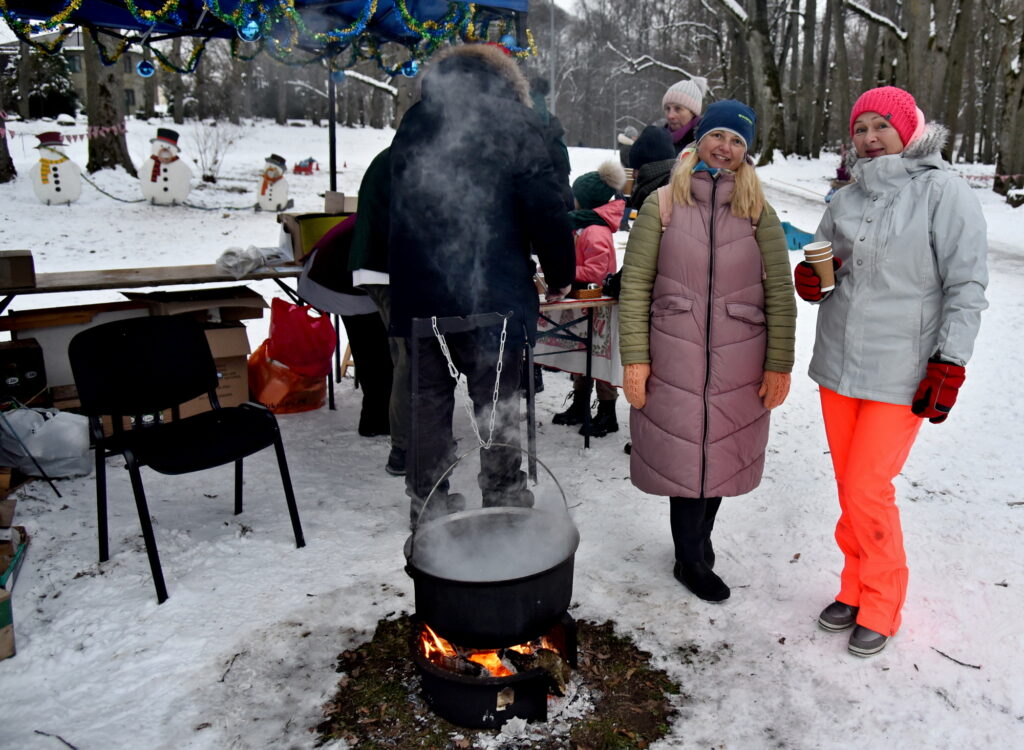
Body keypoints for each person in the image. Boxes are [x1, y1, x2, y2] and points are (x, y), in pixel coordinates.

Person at [794, 86, 988, 657]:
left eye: (882, 125)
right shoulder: (846, 198)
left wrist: (949, 361)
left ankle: (882, 601)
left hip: (901, 368)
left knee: (867, 487)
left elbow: (966, 285)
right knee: (848, 486)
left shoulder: (942, 192)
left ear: (909, 131)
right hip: (838, 364)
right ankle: (852, 587)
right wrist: (816, 283)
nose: (870, 137)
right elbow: (829, 265)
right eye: (860, 128)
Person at [389, 44, 575, 527]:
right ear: (507, 80)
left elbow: (400, 201)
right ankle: (504, 495)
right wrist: (560, 275)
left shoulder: (416, 119)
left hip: (422, 289)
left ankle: (426, 501)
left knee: (427, 398)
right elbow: (546, 207)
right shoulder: (515, 120)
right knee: (497, 397)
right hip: (493, 290)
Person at [619, 100, 797, 603]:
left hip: (740, 354)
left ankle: (698, 541)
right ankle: (689, 557)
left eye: (738, 141)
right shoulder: (663, 204)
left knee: (719, 455)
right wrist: (635, 358)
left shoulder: (758, 210)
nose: (726, 148)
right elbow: (636, 287)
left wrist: (778, 364)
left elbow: (780, 293)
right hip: (674, 350)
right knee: (683, 455)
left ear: (747, 152)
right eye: (718, 136)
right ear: (699, 141)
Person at [297, 214, 393, 438]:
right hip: (335, 280)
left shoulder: (387, 208)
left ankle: (379, 418)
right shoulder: (393, 220)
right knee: (376, 353)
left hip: (342, 273)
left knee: (374, 350)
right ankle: (377, 422)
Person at [551, 160, 627, 438]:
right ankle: (580, 403)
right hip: (585, 301)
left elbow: (597, 269)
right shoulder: (584, 225)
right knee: (582, 356)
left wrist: (565, 271)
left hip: (600, 305)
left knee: (599, 359)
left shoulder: (594, 230)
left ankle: (607, 413)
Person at [348, 146, 410, 476]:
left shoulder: (394, 154)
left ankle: (404, 441)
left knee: (402, 355)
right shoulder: (410, 156)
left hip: (378, 266)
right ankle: (403, 449)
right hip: (388, 269)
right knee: (410, 358)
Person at [660, 77, 708, 155]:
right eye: (667, 109)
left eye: (678, 109)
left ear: (693, 112)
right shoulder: (658, 139)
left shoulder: (703, 142)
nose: (670, 115)